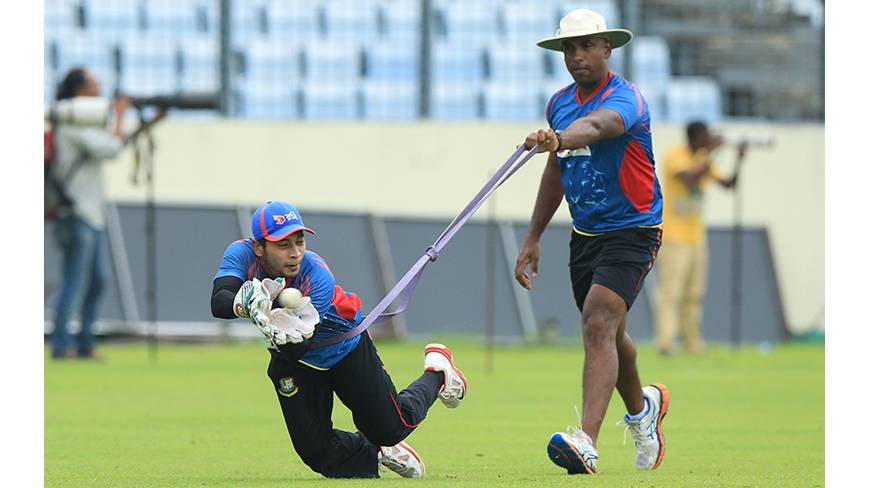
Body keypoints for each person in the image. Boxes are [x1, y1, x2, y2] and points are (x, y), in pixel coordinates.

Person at [514, 9, 669, 475]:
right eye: (568, 48)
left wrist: (559, 138)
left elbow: (599, 128)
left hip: (634, 229)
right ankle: (645, 411)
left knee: (598, 321)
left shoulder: (627, 98)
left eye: (586, 46)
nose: (577, 56)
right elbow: (556, 169)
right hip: (585, 236)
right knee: (610, 332)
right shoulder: (559, 103)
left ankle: (586, 440)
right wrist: (533, 236)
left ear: (608, 48)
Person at [210, 201, 468, 479]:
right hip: (293, 360)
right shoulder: (241, 254)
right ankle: (375, 452)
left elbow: (299, 345)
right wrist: (243, 303)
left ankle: (438, 373)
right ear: (259, 248)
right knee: (315, 452)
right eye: (283, 245)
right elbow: (219, 301)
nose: (295, 253)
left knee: (391, 428)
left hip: (343, 350)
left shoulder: (316, 274)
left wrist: (268, 314)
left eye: (299, 242)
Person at [49, 68, 130, 360]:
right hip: (77, 212)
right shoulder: (72, 124)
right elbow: (110, 148)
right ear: (80, 90)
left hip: (88, 212)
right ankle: (61, 346)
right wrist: (119, 115)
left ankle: (83, 343)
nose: (100, 86)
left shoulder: (79, 122)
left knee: (96, 280)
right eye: (94, 82)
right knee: (76, 280)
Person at [655, 121, 747, 355]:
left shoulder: (704, 159)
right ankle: (666, 341)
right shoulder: (677, 155)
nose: (708, 141)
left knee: (694, 293)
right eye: (705, 137)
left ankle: (692, 342)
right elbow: (690, 178)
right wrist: (713, 152)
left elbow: (728, 185)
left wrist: (739, 160)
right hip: (674, 235)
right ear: (695, 138)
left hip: (696, 236)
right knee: (671, 291)